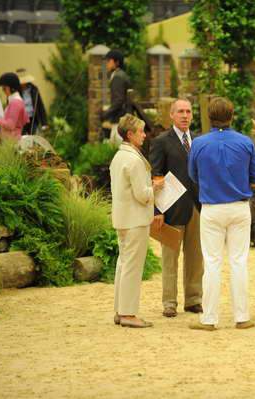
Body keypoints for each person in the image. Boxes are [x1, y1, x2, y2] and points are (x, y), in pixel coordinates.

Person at [187, 97, 255, 331]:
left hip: (211, 207)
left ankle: (209, 318)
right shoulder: (245, 142)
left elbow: (193, 175)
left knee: (212, 263)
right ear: (232, 116)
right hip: (239, 206)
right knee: (239, 261)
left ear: (209, 117)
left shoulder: (198, 143)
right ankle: (242, 317)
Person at [149, 99, 204, 318]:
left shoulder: (199, 141)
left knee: (195, 257)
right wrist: (156, 211)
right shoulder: (161, 141)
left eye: (188, 111)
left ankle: (193, 300)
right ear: (171, 115)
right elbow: (156, 175)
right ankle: (169, 302)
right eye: (180, 111)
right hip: (170, 208)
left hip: (197, 207)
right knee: (170, 258)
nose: (185, 115)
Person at [110, 114, 164, 328]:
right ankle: (128, 313)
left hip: (123, 219)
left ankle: (120, 310)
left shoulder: (119, 156)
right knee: (132, 266)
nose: (144, 135)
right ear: (130, 134)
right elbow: (142, 194)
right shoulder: (133, 159)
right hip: (135, 220)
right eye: (141, 131)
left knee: (123, 264)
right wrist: (156, 188)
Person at [0, 72, 28, 140]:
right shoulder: (14, 101)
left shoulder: (16, 102)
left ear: (12, 88)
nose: (3, 91)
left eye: (4, 88)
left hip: (13, 140)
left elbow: (10, 125)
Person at [102, 50, 131, 143]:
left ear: (117, 62)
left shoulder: (118, 77)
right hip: (122, 118)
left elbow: (119, 100)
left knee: (117, 147)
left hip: (119, 120)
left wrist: (106, 113)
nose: (106, 63)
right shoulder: (121, 75)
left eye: (109, 61)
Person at [16, 68, 47, 135]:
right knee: (24, 140)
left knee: (34, 138)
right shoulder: (15, 92)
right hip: (22, 121)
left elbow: (40, 106)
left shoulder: (34, 89)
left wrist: (44, 123)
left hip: (33, 119)